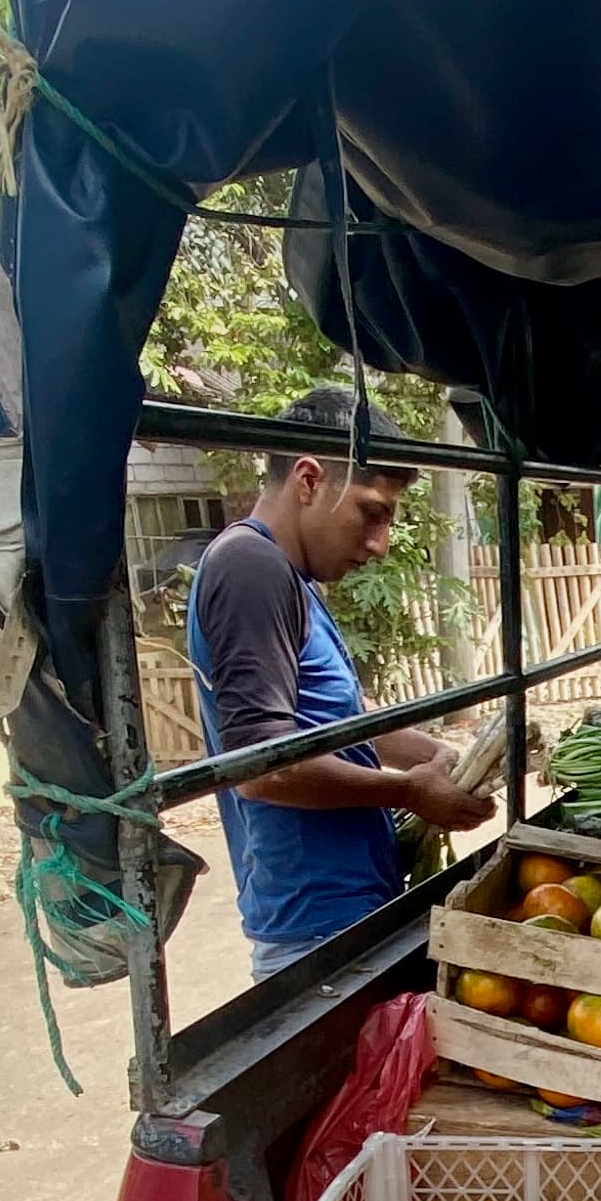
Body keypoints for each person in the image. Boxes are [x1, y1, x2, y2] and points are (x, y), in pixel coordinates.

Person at [185, 384, 493, 979]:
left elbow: (336, 714)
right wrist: (409, 792)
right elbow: (261, 769)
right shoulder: (251, 569)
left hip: (344, 907)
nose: (379, 545)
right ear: (308, 480)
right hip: (317, 929)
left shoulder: (289, 576)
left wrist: (429, 753)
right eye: (371, 512)